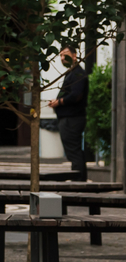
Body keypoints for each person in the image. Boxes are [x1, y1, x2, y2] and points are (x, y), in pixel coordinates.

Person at [48, 45, 88, 180]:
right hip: (69, 118)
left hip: (72, 119)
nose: (62, 58)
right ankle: (79, 180)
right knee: (74, 152)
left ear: (74, 56)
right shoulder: (72, 73)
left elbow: (76, 95)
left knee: (74, 152)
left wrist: (59, 102)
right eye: (60, 55)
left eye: (65, 54)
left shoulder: (78, 73)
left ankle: (78, 182)